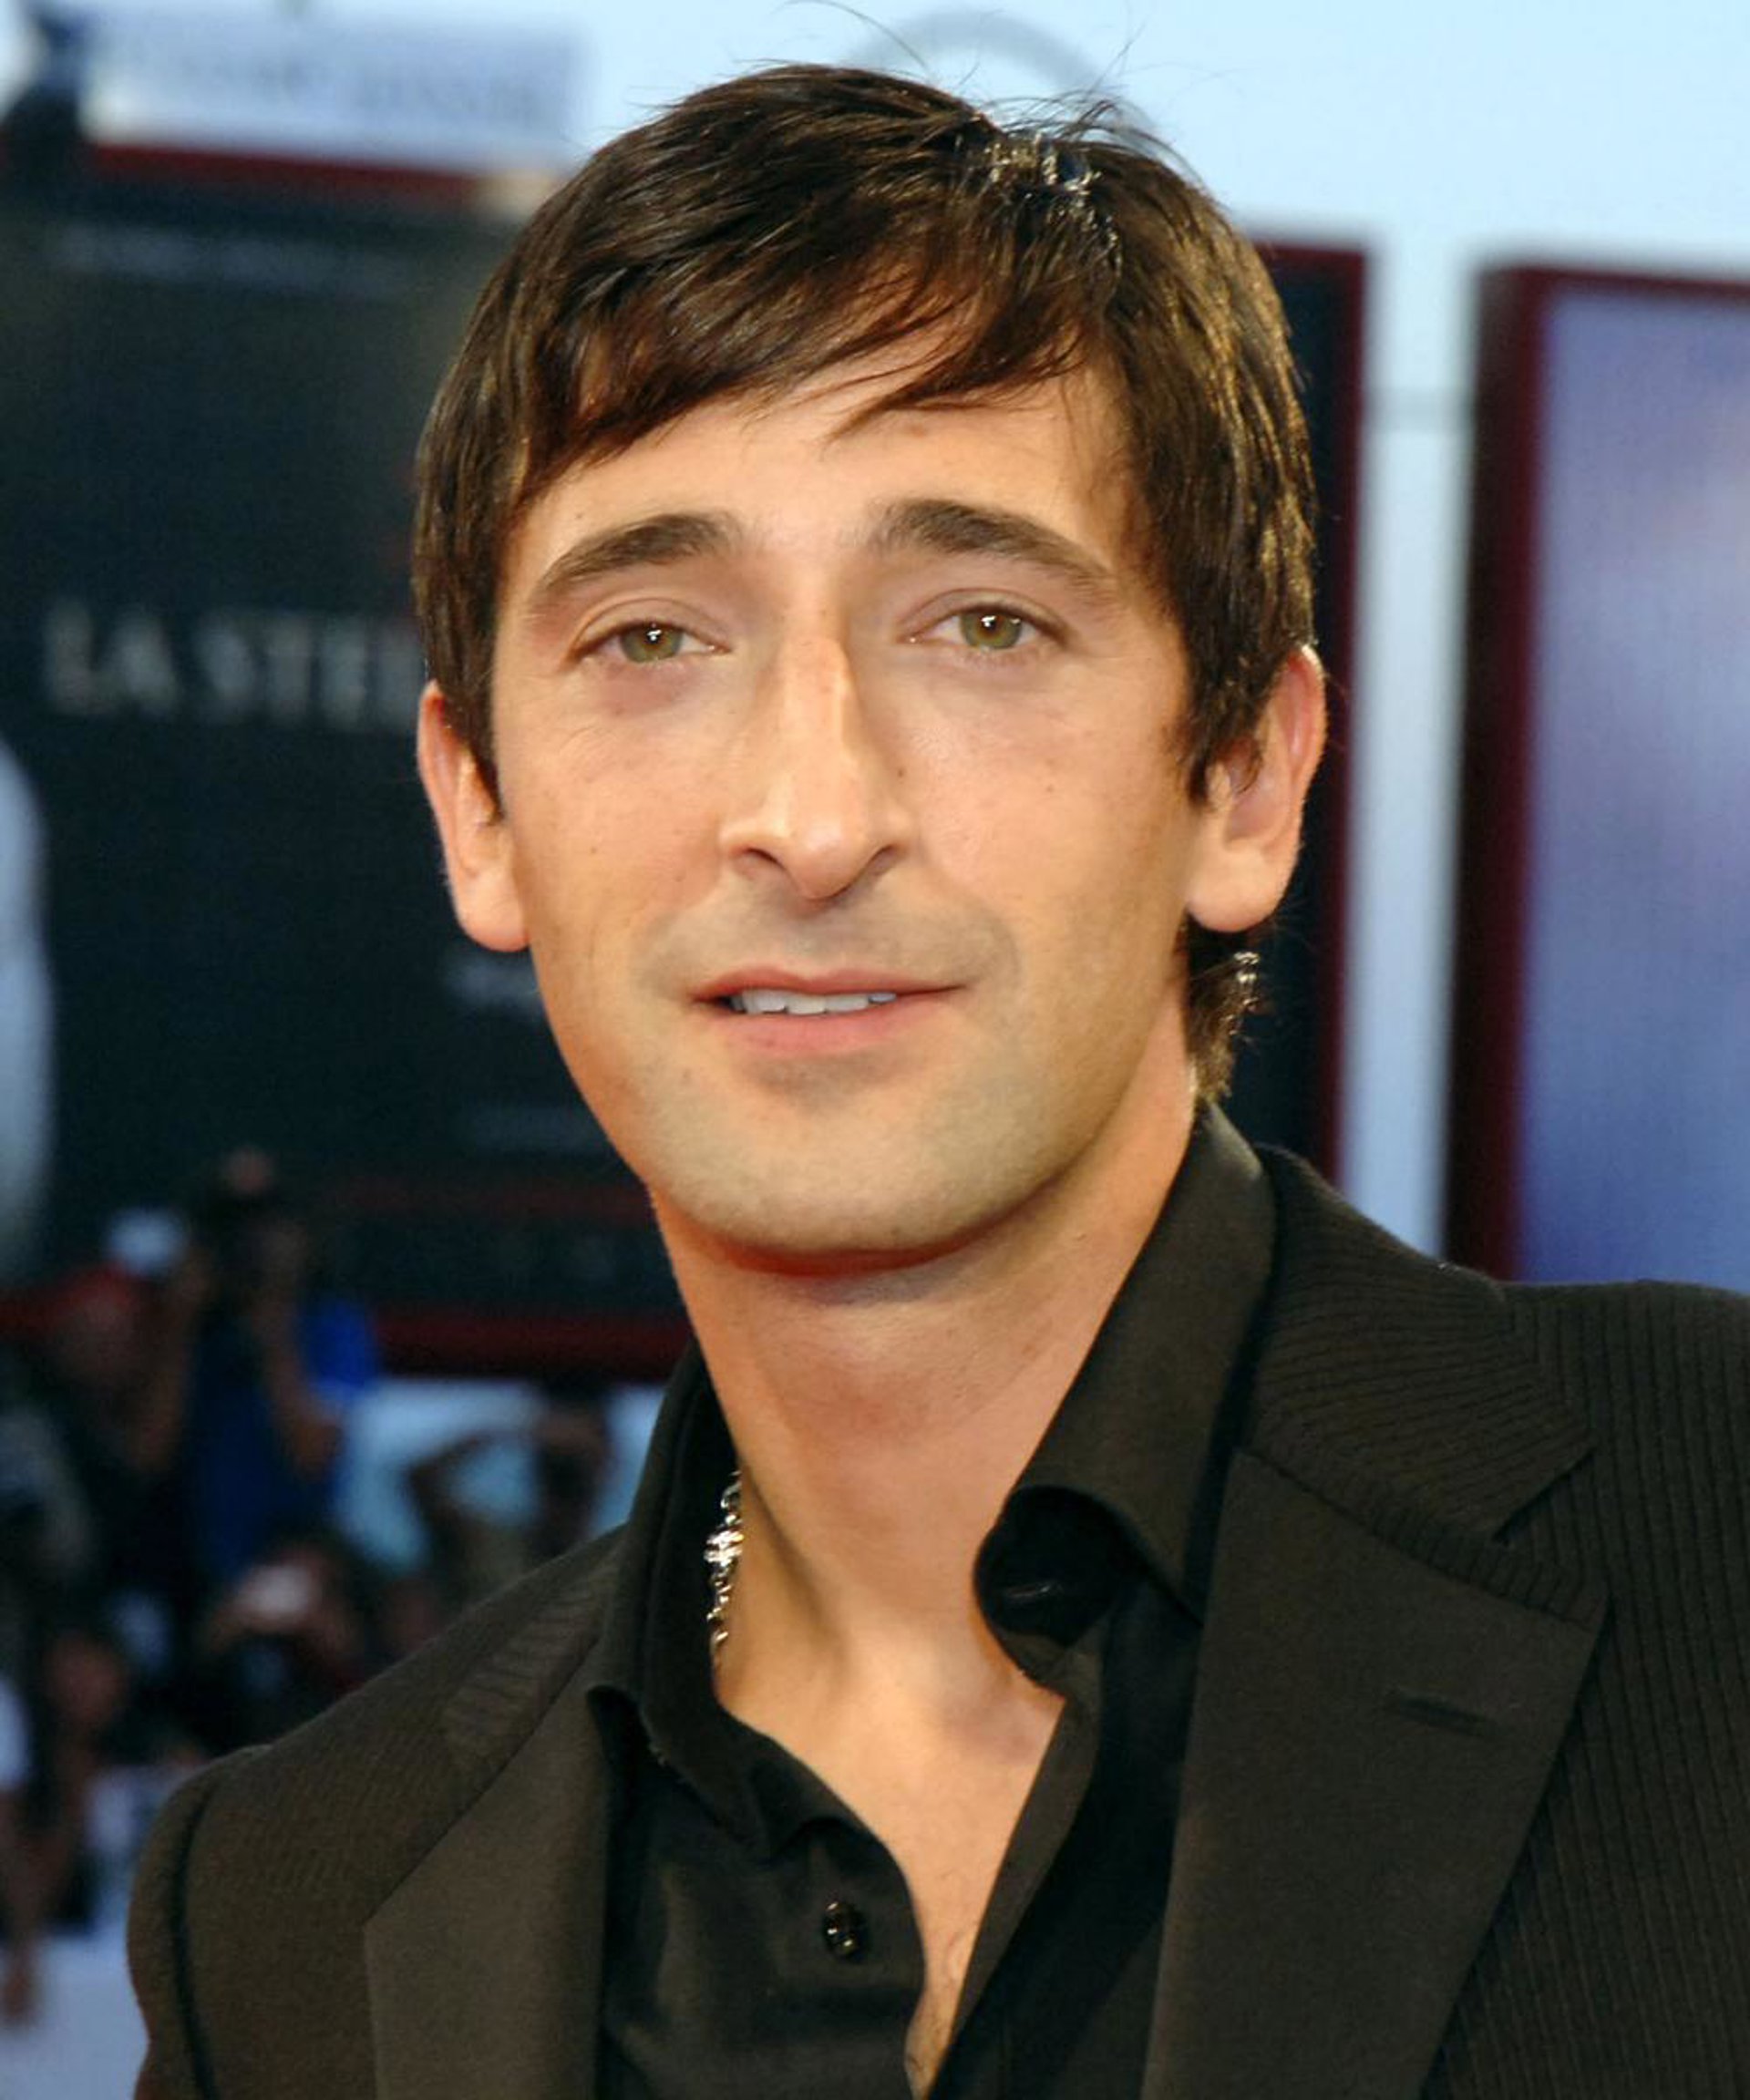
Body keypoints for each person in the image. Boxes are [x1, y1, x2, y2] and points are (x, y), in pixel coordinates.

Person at [127, 64, 1749, 2100]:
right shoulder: (290, 1916)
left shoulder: (1715, 1541)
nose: (813, 818)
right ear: (480, 814)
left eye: (981, 624)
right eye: (652, 638)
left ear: (1244, 778)